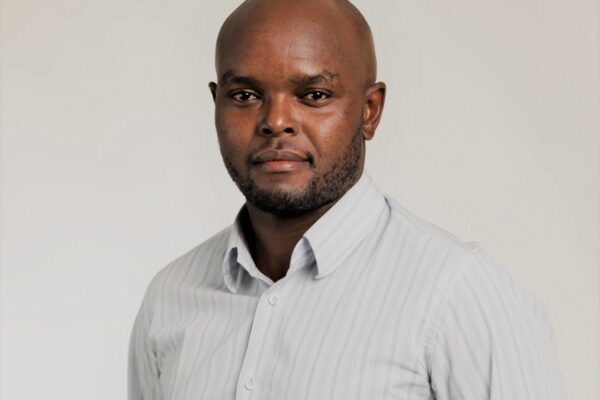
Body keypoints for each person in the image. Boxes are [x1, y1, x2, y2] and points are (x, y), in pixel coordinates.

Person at [128, 0, 567, 399]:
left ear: (369, 111)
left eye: (314, 95)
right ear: (216, 104)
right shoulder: (170, 297)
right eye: (245, 95)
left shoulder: (459, 294)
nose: (276, 121)